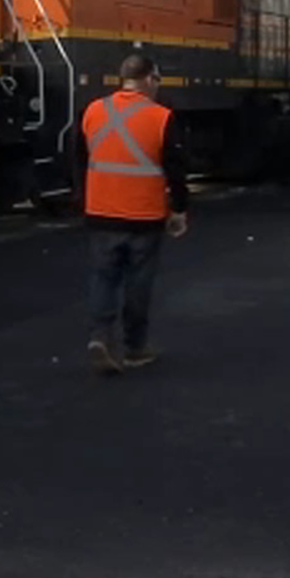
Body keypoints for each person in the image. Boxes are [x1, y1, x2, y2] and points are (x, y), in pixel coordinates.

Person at [79, 53, 189, 375]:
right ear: (149, 79)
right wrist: (179, 210)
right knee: (138, 283)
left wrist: (83, 199)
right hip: (144, 216)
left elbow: (79, 159)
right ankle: (135, 347)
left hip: (100, 212)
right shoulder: (161, 117)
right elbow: (176, 170)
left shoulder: (93, 111)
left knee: (103, 277)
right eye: (158, 80)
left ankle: (99, 336)